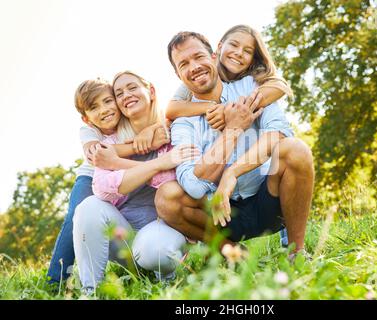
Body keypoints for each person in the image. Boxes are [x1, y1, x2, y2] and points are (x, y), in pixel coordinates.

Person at [155, 32, 314, 258]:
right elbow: (194, 185)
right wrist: (232, 130)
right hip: (220, 213)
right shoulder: (182, 123)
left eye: (199, 57)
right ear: (177, 73)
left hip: (267, 199)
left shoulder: (251, 88)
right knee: (166, 198)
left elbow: (278, 133)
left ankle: (296, 253)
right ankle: (233, 252)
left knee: (296, 149)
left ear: (213, 56)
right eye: (184, 64)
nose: (194, 67)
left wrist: (233, 172)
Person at [72, 71, 199, 293]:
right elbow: (102, 188)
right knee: (88, 207)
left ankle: (168, 282)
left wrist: (119, 162)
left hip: (161, 231)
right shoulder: (112, 142)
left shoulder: (173, 129)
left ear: (150, 91)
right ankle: (89, 292)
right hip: (125, 239)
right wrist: (160, 162)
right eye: (119, 93)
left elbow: (166, 182)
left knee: (155, 251)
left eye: (132, 88)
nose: (126, 96)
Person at [47, 78, 165, 284]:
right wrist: (139, 145)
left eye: (108, 101)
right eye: (94, 107)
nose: (104, 110)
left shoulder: (128, 121)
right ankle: (56, 279)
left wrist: (149, 131)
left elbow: (159, 119)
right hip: (90, 176)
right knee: (77, 215)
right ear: (86, 119)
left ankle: (140, 259)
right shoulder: (88, 131)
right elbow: (98, 154)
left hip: (116, 177)